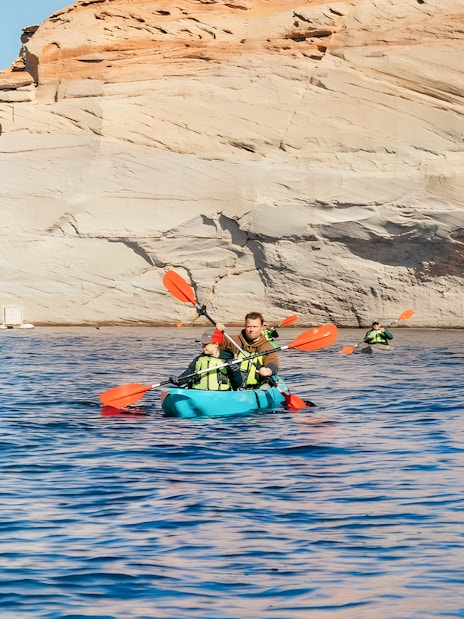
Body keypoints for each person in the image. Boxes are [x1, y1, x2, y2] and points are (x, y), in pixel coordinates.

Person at [217, 312, 279, 389]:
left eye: (255, 326)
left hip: (256, 387)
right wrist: (217, 333)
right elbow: (213, 346)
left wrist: (268, 370)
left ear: (262, 327)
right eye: (249, 326)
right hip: (233, 388)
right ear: (245, 326)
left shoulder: (267, 346)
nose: (252, 329)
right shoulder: (233, 341)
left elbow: (272, 362)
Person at [176, 329, 242, 390]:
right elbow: (188, 374)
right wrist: (177, 381)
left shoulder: (228, 359)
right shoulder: (199, 359)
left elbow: (237, 384)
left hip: (221, 394)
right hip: (199, 392)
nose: (202, 346)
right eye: (202, 344)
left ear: (216, 344)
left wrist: (235, 371)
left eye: (206, 344)